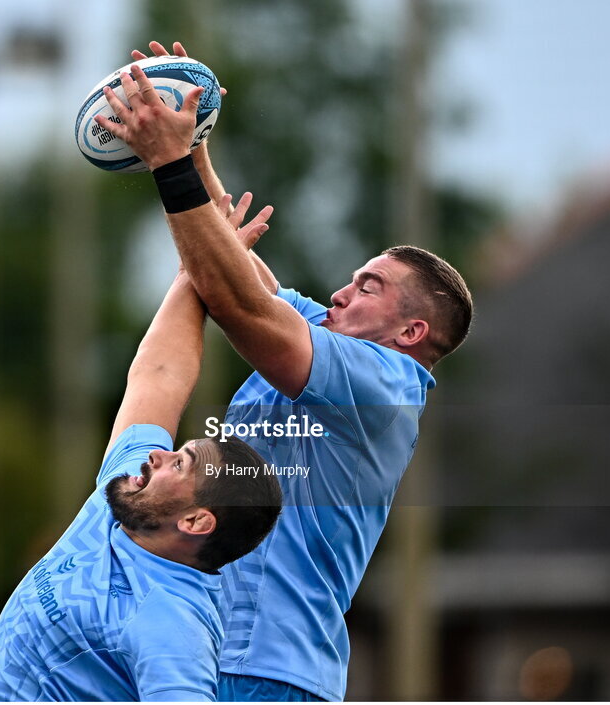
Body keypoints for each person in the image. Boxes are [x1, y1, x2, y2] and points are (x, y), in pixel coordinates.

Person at [102, 42, 474, 702]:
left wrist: (168, 164)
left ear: (411, 333)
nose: (340, 292)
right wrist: (192, 125)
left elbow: (239, 300)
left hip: (271, 673)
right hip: (214, 651)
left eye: (369, 287)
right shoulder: (326, 336)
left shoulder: (384, 385)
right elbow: (231, 264)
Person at [0, 212, 283, 702]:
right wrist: (199, 265)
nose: (158, 456)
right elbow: (159, 374)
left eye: (181, 464)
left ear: (198, 521)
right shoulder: (125, 499)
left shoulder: (173, 626)